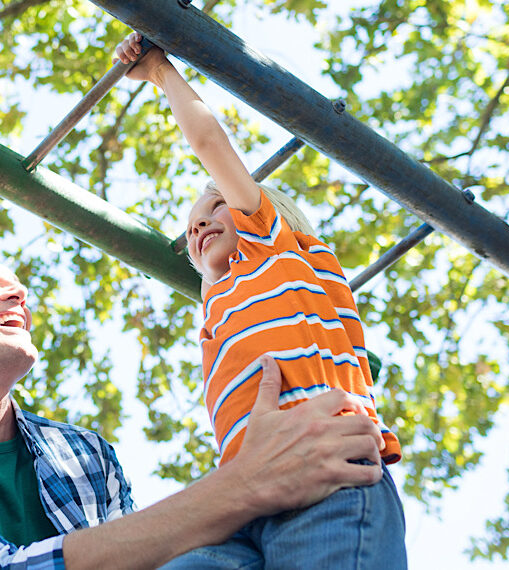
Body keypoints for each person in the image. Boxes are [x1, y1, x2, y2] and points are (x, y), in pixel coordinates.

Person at [0, 234, 387, 569]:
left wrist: (275, 475)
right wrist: (243, 484)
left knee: (322, 470)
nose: (18, 292)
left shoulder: (83, 453)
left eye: (17, 283)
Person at [114, 32, 406, 567]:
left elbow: (209, 144)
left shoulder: (272, 246)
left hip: (327, 469)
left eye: (217, 203)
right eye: (191, 222)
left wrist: (160, 71)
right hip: (246, 497)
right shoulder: (217, 308)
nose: (199, 220)